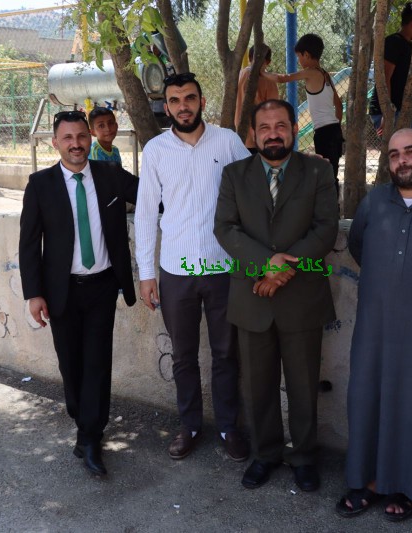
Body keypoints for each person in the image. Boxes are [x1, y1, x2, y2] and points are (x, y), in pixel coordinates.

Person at [214, 99, 339, 492]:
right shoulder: (235, 175)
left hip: (302, 298)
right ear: (253, 133)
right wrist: (267, 264)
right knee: (258, 386)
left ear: (294, 129)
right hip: (252, 297)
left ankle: (303, 456)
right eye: (265, 127)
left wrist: (283, 270)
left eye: (281, 126)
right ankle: (265, 454)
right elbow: (225, 228)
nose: (273, 134)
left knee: (303, 386)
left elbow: (325, 229)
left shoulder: (318, 171)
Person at [337, 128, 412, 522]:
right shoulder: (374, 202)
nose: (402, 160)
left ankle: (409, 487)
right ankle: (367, 482)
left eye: (411, 152)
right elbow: (359, 246)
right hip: (374, 330)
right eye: (394, 155)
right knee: (367, 403)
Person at [134, 72, 251, 463]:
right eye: (174, 100)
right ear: (166, 107)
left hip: (222, 269)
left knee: (226, 354)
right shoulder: (156, 150)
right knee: (183, 356)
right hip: (176, 271)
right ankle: (190, 426)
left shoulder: (228, 142)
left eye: (189, 98)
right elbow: (146, 214)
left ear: (201, 101)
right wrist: (146, 274)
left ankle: (228, 427)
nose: (182, 106)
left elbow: (253, 190)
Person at [18, 110, 139, 477]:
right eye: (68, 138)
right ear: (55, 143)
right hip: (62, 291)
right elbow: (29, 244)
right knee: (70, 364)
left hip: (103, 286)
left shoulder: (110, 174)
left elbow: (153, 197)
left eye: (81, 136)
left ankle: (90, 436)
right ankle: (83, 421)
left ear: (90, 138)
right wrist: (34, 294)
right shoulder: (40, 185)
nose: (76, 144)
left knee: (97, 363)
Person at [264, 34, 343, 196]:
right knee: (331, 172)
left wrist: (261, 72)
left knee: (325, 175)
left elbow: (282, 78)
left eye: (299, 56)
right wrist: (337, 127)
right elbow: (339, 105)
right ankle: (333, 206)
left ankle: (329, 207)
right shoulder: (325, 74)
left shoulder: (310, 72)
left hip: (324, 132)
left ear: (306, 54)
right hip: (335, 130)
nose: (299, 60)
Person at [368, 2, 412, 134]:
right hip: (389, 112)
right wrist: (387, 113)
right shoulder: (394, 42)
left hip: (405, 111)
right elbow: (384, 78)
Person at [235, 45, 280, 154]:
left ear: (250, 58)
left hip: (240, 133)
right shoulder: (268, 80)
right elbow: (273, 109)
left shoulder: (241, 74)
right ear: (268, 62)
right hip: (260, 137)